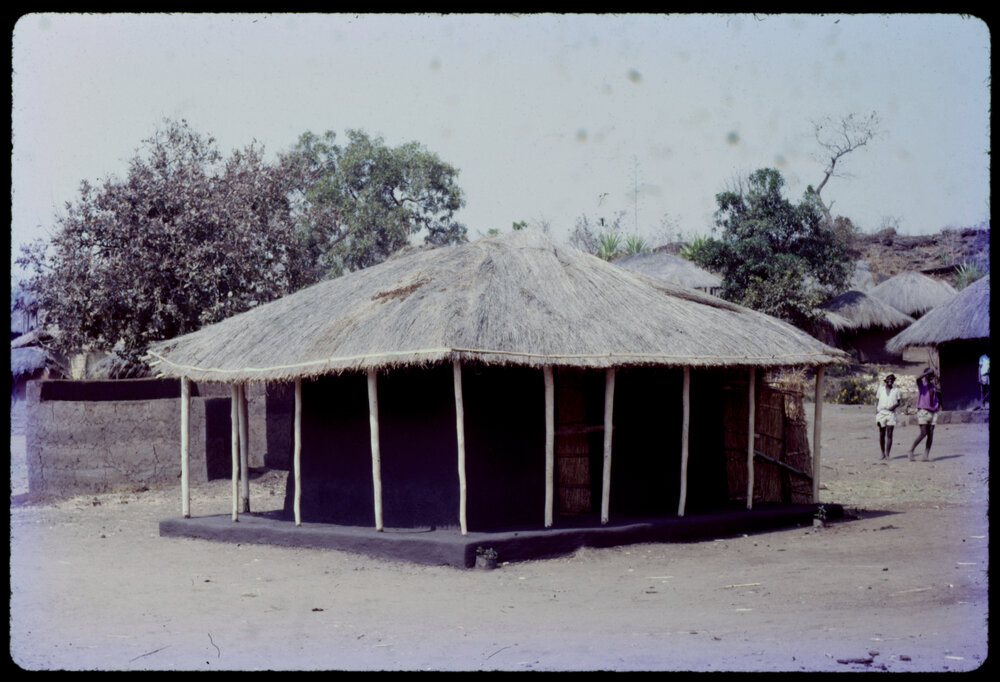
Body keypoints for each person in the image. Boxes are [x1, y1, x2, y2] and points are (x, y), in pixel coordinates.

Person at [909, 368, 941, 462]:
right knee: (923, 433)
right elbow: (918, 378)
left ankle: (925, 455)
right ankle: (911, 450)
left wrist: (937, 406)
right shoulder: (922, 384)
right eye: (929, 374)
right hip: (923, 411)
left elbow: (935, 398)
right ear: (926, 375)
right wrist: (926, 373)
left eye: (932, 375)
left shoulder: (933, 386)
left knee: (930, 434)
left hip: (933, 412)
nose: (931, 376)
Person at [874, 373, 900, 461]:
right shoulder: (881, 389)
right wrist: (876, 411)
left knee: (889, 434)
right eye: (888, 379)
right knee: (882, 434)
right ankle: (882, 453)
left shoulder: (896, 390)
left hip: (891, 414)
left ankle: (887, 454)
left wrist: (893, 407)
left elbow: (898, 402)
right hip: (881, 413)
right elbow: (877, 400)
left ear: (893, 380)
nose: (890, 380)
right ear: (886, 380)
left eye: (892, 379)